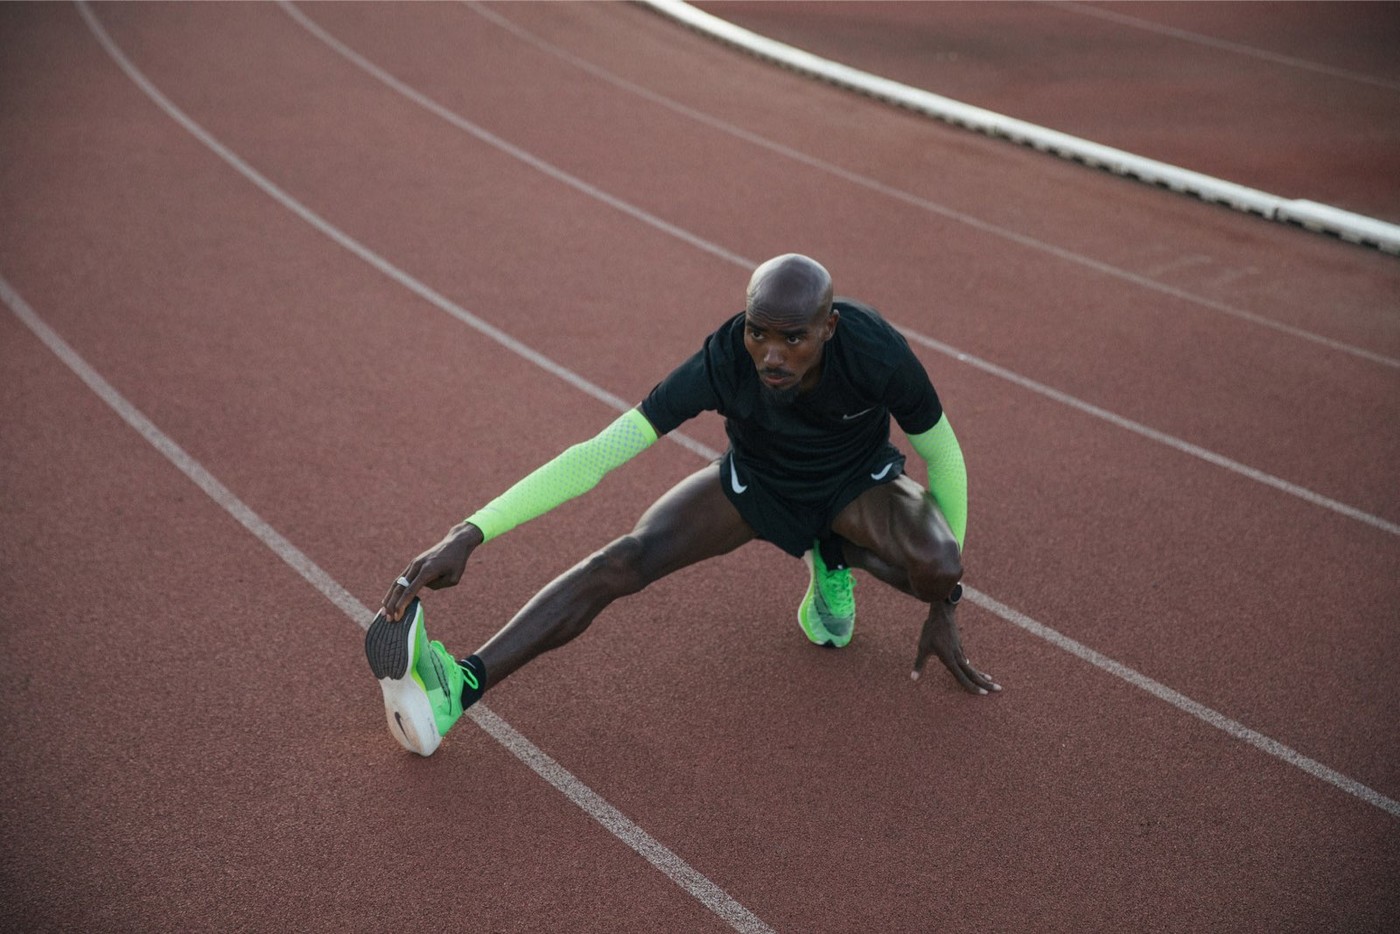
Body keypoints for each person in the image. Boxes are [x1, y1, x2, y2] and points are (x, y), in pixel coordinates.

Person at [365, 254, 999, 756]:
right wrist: (471, 531)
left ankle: (830, 552)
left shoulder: (878, 353)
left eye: (794, 339)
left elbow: (945, 459)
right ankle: (459, 687)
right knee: (618, 562)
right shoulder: (723, 360)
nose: (771, 356)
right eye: (759, 334)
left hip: (856, 485)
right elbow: (598, 454)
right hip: (756, 486)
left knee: (939, 566)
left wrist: (945, 607)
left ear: (829, 329)